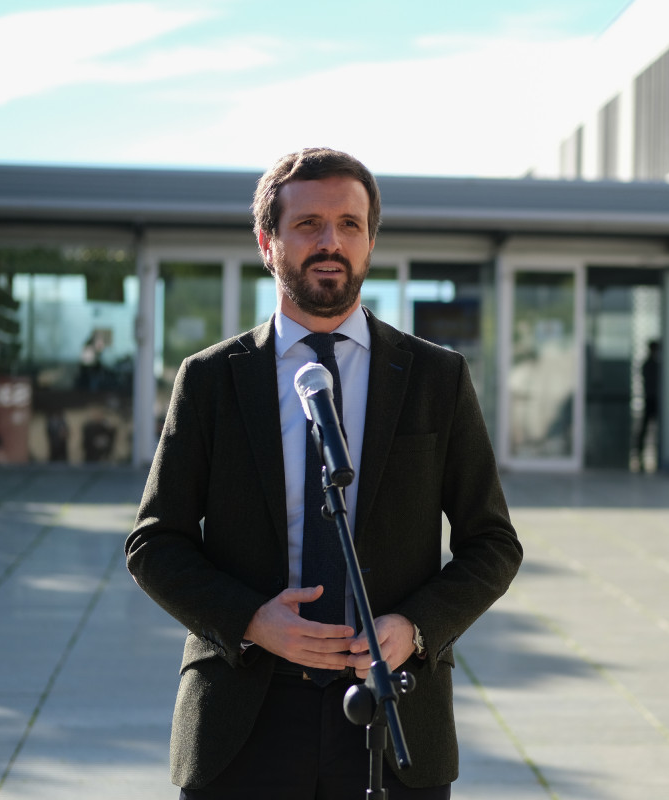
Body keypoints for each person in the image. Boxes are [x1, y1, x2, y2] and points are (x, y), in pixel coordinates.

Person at [126, 147, 523, 799]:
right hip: (242, 718)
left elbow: (494, 544)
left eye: (349, 224)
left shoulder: (435, 378)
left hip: (392, 715)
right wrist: (252, 619)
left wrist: (414, 629)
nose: (330, 242)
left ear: (370, 240)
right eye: (308, 225)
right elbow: (153, 544)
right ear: (267, 241)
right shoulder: (211, 381)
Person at [634, 339, 660, 469]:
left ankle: (653, 457)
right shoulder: (650, 365)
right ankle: (639, 457)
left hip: (655, 400)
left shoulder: (656, 364)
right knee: (645, 430)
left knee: (651, 430)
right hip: (651, 399)